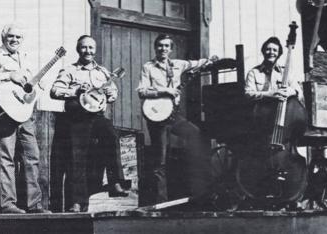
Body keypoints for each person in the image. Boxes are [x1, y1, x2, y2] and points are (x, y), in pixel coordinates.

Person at [50, 35, 129, 213]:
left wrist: (110, 93)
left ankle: (115, 181)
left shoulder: (103, 72)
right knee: (77, 160)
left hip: (96, 117)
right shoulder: (70, 70)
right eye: (84, 48)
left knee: (111, 134)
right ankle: (76, 202)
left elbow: (113, 93)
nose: (88, 51)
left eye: (91, 48)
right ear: (79, 50)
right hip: (76, 118)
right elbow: (54, 91)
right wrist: (75, 90)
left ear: (95, 50)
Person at [137, 34, 218, 205]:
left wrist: (210, 60)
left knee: (195, 135)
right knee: (160, 160)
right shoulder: (148, 67)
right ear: (155, 47)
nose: (163, 49)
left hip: (174, 114)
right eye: (160, 45)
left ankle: (200, 191)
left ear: (171, 49)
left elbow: (196, 63)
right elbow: (142, 91)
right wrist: (165, 91)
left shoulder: (178, 64)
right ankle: (161, 202)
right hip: (157, 117)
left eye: (166, 46)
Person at [0, 23, 50, 214]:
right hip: (3, 113)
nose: (14, 40)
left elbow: (27, 85)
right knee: (6, 158)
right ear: (4, 37)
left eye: (18, 37)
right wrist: (9, 75)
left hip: (24, 112)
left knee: (32, 156)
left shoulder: (25, 58)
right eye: (11, 36)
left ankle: (34, 204)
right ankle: (8, 205)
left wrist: (37, 84)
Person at [245, 36, 303, 101]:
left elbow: (299, 93)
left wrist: (292, 92)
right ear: (263, 52)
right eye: (268, 49)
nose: (271, 52)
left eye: (275, 50)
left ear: (279, 54)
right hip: (262, 109)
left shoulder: (286, 72)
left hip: (284, 110)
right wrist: (269, 94)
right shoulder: (253, 73)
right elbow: (248, 94)